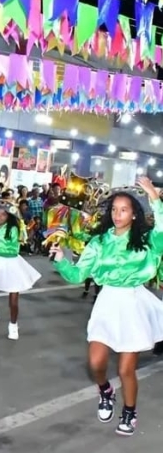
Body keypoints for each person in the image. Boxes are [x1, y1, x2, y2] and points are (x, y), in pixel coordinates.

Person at [50, 177, 163, 437]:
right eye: (114, 209)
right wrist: (61, 260)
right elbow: (78, 275)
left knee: (125, 369)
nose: (117, 214)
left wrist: (154, 198)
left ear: (134, 214)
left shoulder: (148, 241)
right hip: (107, 303)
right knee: (96, 363)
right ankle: (105, 391)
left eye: (124, 210)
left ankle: (130, 411)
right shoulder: (99, 242)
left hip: (133, 304)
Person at [0, 201, 41, 340]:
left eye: (3, 214)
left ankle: (13, 324)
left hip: (12, 264)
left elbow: (13, 250)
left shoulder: (13, 229)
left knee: (13, 301)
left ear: (8, 217)